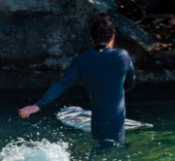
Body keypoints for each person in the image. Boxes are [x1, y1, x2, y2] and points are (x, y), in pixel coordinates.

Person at [18, 16, 136, 149]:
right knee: (114, 151)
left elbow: (62, 84)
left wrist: (38, 105)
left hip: (97, 124)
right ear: (113, 37)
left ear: (92, 38)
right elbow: (131, 83)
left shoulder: (82, 59)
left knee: (100, 150)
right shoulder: (122, 56)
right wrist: (115, 93)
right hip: (116, 124)